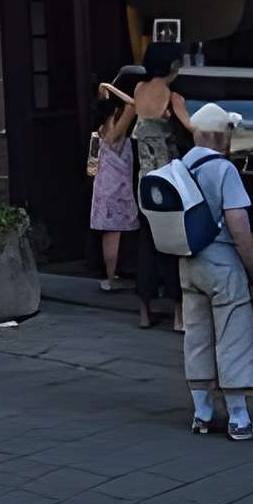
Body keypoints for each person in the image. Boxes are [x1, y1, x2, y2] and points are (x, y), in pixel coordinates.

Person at [174, 101, 253, 441]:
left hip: (188, 262)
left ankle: (202, 413)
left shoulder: (179, 166)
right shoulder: (224, 170)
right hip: (222, 263)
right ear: (222, 135)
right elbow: (238, 223)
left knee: (197, 336)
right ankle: (239, 418)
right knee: (234, 335)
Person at [101, 44, 194, 331]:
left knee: (146, 245)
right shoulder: (172, 97)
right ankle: (179, 314)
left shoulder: (138, 91)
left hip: (143, 183)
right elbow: (194, 131)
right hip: (170, 183)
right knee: (175, 246)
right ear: (172, 67)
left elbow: (114, 139)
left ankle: (144, 312)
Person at [87, 88, 139, 290]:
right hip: (117, 188)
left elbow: (91, 166)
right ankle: (114, 276)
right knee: (117, 233)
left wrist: (103, 90)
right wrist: (110, 87)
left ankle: (111, 276)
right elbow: (132, 104)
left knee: (110, 234)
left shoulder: (99, 131)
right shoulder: (115, 134)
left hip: (102, 187)